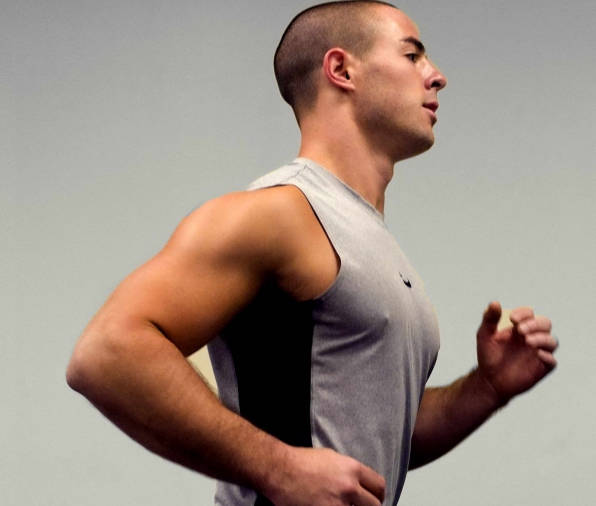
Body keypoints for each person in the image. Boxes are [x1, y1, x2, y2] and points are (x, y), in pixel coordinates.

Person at [65, 1, 558, 505]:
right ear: (341, 69)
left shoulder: (369, 239)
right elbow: (106, 353)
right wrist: (276, 466)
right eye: (413, 56)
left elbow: (374, 439)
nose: (437, 77)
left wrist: (486, 388)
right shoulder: (279, 214)